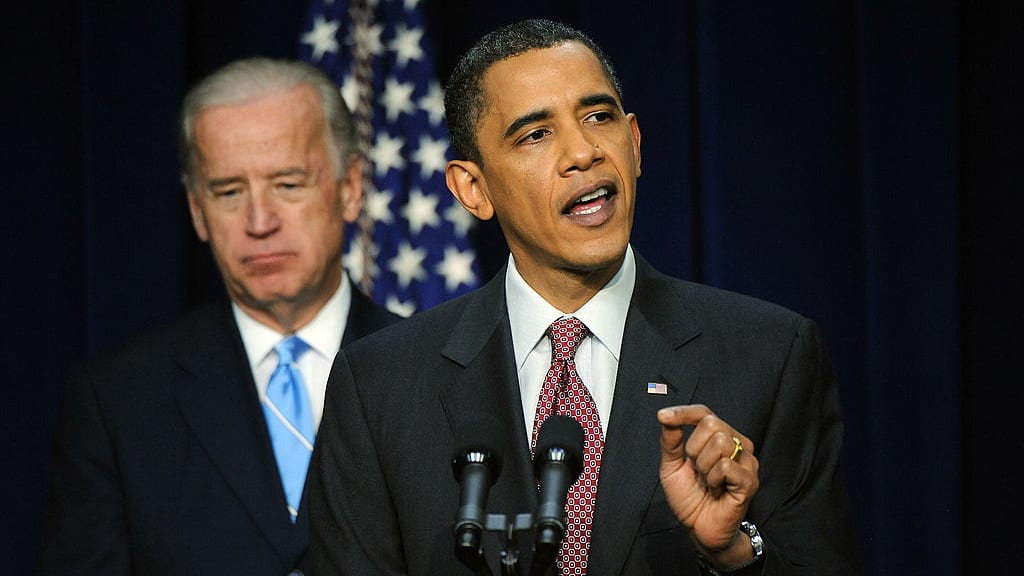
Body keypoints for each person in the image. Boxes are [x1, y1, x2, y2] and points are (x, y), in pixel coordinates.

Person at [309, 19, 860, 576]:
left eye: (599, 117)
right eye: (536, 134)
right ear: (473, 190)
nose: (583, 151)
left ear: (636, 143)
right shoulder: (378, 385)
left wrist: (732, 554)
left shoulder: (769, 355)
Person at [37, 58, 401, 575]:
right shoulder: (117, 400)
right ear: (196, 212)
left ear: (350, 188)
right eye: (229, 191)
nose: (259, 221)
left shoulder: (436, 372)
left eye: (287, 184)